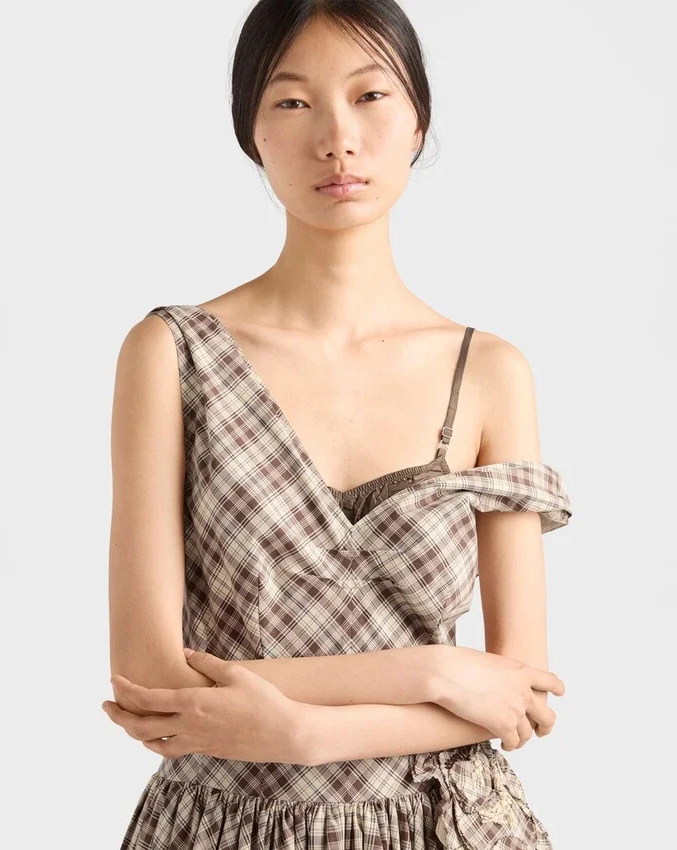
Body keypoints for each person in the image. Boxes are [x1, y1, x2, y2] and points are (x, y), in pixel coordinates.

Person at [105, 1, 573, 847]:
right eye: (293, 102)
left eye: (369, 96)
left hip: (448, 824)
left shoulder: (490, 372)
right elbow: (149, 680)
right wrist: (435, 670)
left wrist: (307, 736)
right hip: (225, 826)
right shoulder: (171, 354)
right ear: (251, 132)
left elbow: (521, 693)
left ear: (418, 120)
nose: (337, 138)